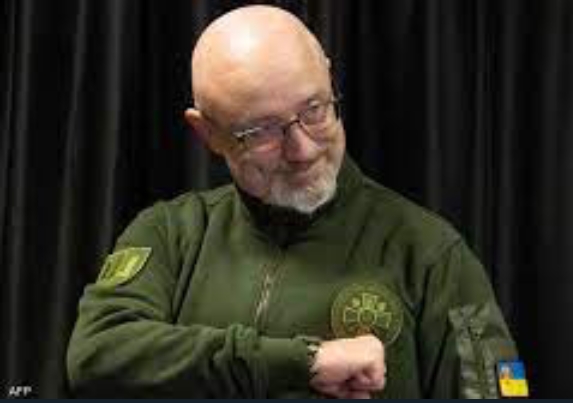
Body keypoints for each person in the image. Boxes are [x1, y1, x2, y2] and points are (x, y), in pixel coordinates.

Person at [66, 5, 523, 399]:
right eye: (262, 131)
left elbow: (504, 390)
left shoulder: (432, 254)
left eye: (314, 109)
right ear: (207, 133)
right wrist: (302, 362)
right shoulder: (171, 234)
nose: (303, 149)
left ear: (329, 77)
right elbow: (96, 355)